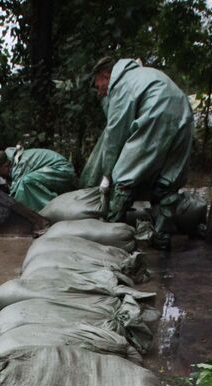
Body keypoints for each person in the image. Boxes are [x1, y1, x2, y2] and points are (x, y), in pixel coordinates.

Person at [82, 55, 194, 250]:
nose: (99, 92)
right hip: (184, 115)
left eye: (98, 85)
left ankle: (111, 235)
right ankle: (162, 239)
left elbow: (116, 135)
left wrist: (107, 174)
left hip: (156, 114)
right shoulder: (143, 75)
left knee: (125, 178)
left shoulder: (121, 85)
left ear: (106, 76)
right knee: (167, 182)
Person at [0, 146, 77, 212]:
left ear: (5, 166)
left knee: (26, 182)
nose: (0, 176)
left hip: (62, 170)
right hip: (56, 171)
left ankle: (53, 208)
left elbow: (15, 194)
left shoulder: (20, 164)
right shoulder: (15, 161)